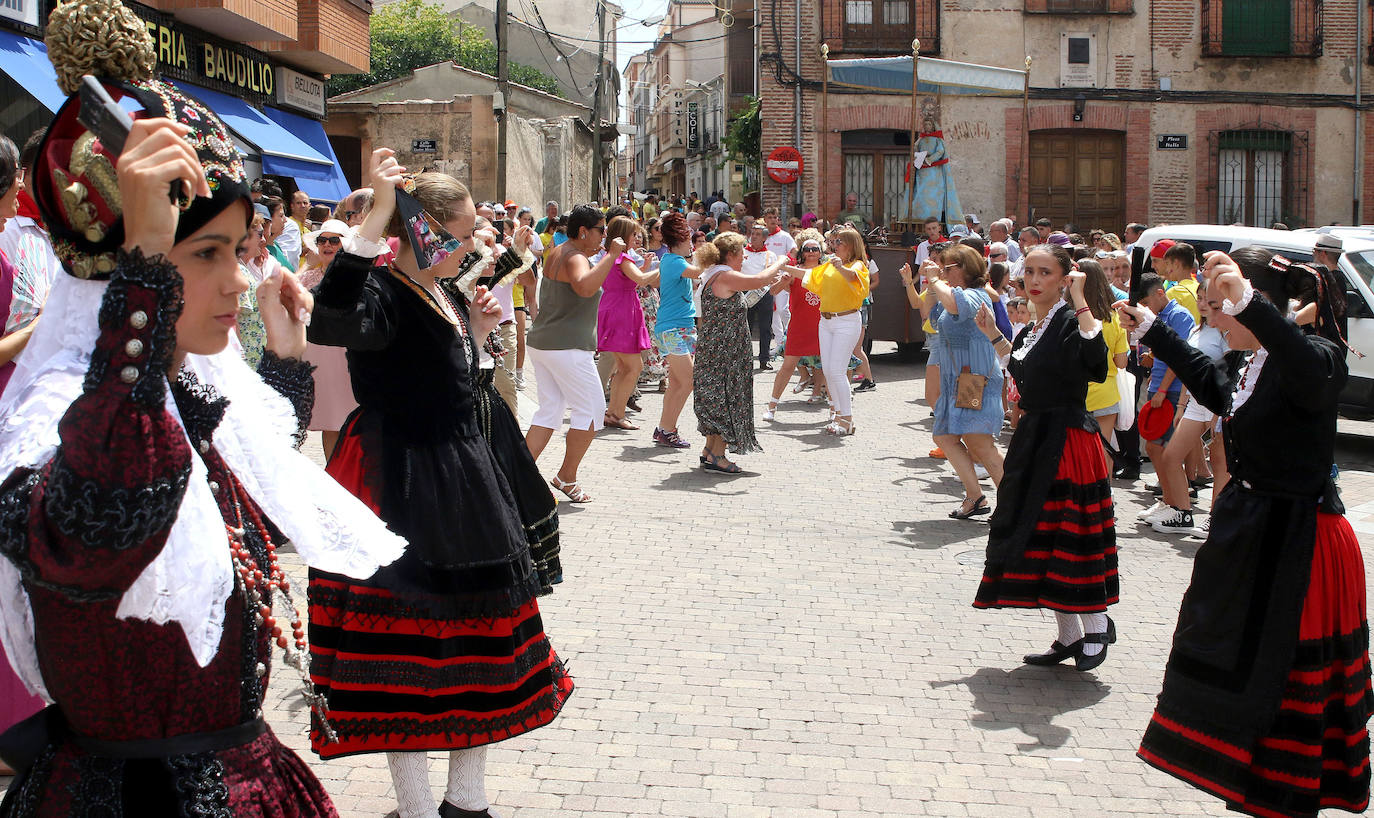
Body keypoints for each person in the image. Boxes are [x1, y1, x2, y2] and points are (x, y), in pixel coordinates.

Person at [0, 17, 402, 811]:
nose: (236, 283)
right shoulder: (65, 417)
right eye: (205, 254)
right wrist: (146, 276)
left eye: (236, 249)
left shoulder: (170, 396)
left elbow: (246, 507)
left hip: (237, 771)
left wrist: (283, 365)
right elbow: (105, 520)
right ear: (125, 271)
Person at [306, 155, 573, 817]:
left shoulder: (446, 292)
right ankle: (419, 807)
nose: (466, 245)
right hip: (399, 478)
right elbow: (331, 316)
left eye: (468, 232)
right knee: (407, 645)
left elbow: (449, 380)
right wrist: (373, 219)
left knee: (477, 634)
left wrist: (478, 336)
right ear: (419, 231)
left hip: (461, 474)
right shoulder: (383, 290)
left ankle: (466, 798)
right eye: (454, 233)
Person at [1121, 247, 1372, 818]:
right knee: (1237, 662)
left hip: (1301, 544)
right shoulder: (1247, 365)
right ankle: (1252, 788)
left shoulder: (1318, 357)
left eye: (1218, 307)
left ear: (1252, 306)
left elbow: (1304, 370)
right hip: (1254, 533)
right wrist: (1157, 332)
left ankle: (1283, 796)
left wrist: (1253, 305)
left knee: (1281, 678)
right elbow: (1212, 385)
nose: (1209, 318)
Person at [973, 244, 1117, 672]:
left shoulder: (1074, 319)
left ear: (1064, 278)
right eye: (1029, 272)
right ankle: (1069, 635)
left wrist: (1081, 299)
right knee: (1036, 533)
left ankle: (1096, 621)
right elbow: (1023, 371)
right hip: (1035, 436)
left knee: (1068, 535)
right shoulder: (1036, 326)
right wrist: (995, 336)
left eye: (1045, 273)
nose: (1034, 281)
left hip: (1067, 440)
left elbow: (1095, 364)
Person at [525, 205, 623, 502]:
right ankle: (566, 477)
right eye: (601, 230)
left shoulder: (561, 250)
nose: (604, 236)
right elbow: (583, 287)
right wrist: (612, 256)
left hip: (545, 343)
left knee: (550, 411)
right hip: (566, 348)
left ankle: (517, 476)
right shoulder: (575, 256)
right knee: (592, 412)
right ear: (584, 231)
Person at [904, 244, 1004, 517]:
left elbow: (956, 304)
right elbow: (928, 312)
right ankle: (975, 497)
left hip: (973, 379)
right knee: (945, 436)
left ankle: (1011, 503)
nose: (943, 271)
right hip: (957, 380)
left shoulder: (974, 294)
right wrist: (927, 283)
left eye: (949, 267)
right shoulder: (953, 292)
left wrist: (936, 279)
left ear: (965, 268)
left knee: (980, 444)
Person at [693, 232, 786, 471]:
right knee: (726, 397)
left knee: (718, 397)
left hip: (717, 348)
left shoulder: (715, 274)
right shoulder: (725, 275)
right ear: (731, 254)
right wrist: (781, 261)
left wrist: (777, 284)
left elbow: (753, 294)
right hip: (725, 351)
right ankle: (718, 455)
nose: (744, 256)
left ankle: (711, 450)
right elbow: (758, 279)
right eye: (741, 252)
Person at [1150, 281, 1228, 535]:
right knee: (1171, 456)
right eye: (1200, 298)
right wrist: (1182, 404)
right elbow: (1190, 370)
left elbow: (1226, 376)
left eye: (1209, 300)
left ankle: (1215, 518)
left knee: (1219, 464)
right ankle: (1183, 513)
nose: (1203, 304)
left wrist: (1218, 414)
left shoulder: (1226, 333)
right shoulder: (1196, 329)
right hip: (1195, 402)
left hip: (1218, 404)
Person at [1136, 272, 1195, 525]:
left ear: (1160, 293)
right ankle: (1169, 501)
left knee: (1167, 451)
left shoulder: (1180, 315)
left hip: (1169, 390)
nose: (1145, 309)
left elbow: (1179, 356)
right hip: (1159, 386)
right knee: (1154, 447)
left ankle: (1179, 507)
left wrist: (1162, 389)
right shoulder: (1160, 316)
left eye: (1146, 304)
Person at [298, 218, 359, 458]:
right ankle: (333, 474)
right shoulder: (307, 278)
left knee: (355, 421)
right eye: (322, 240)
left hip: (349, 358)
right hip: (318, 360)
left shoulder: (358, 278)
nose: (328, 244)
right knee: (329, 421)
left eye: (335, 240)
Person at [808, 227, 870, 436]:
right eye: (835, 241)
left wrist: (840, 267)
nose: (836, 245)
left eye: (840, 242)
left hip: (846, 320)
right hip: (826, 321)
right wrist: (785, 269)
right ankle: (837, 413)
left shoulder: (858, 264)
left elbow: (854, 278)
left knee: (837, 371)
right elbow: (809, 275)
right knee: (828, 370)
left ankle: (847, 419)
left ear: (852, 245)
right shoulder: (831, 263)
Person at [595, 216, 656, 430]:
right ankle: (616, 414)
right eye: (633, 234)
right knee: (633, 366)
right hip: (623, 310)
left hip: (614, 307)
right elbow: (641, 280)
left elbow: (631, 281)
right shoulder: (623, 258)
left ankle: (614, 412)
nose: (636, 238)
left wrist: (646, 266)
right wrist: (667, 266)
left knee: (623, 367)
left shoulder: (610, 256)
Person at [764, 231, 828, 420]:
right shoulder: (793, 270)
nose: (811, 252)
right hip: (799, 326)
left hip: (824, 324)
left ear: (820, 251)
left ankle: (836, 411)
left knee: (829, 367)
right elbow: (772, 291)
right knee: (788, 366)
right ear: (801, 252)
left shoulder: (826, 270)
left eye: (815, 249)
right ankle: (772, 406)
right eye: (807, 249)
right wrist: (783, 281)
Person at [651, 212, 700, 448]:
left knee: (677, 383)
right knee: (688, 380)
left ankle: (663, 428)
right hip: (672, 329)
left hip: (680, 327)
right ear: (680, 239)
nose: (691, 241)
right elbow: (697, 272)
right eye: (688, 237)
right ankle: (668, 429)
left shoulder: (677, 261)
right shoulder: (673, 261)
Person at [1079, 259, 1129, 465]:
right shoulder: (1113, 318)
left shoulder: (1068, 316)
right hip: (1105, 393)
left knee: (1075, 452)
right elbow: (1122, 362)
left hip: (1073, 393)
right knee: (1103, 450)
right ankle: (1105, 495)